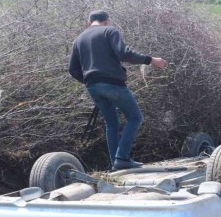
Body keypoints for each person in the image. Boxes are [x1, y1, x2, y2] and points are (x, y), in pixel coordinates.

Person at [69, 10, 168, 170]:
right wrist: (151, 60)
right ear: (107, 21)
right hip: (113, 83)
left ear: (89, 22)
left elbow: (73, 70)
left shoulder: (78, 40)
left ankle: (116, 163)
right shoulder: (110, 31)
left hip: (92, 86)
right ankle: (122, 158)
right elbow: (123, 53)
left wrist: (91, 81)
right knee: (135, 118)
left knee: (111, 123)